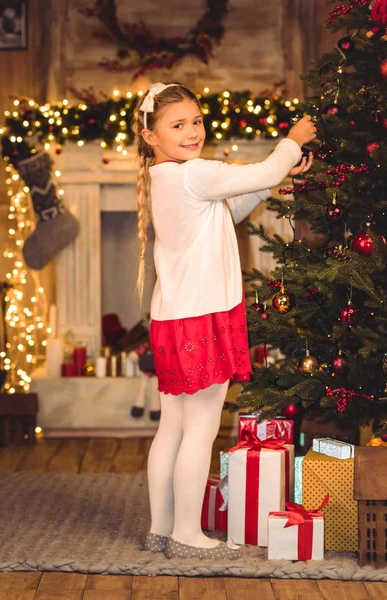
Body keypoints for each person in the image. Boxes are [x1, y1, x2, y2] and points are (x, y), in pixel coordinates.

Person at [132, 82, 316, 560]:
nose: (193, 132)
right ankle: (188, 535)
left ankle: (161, 529)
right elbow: (267, 167)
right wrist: (293, 140)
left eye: (196, 121)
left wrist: (274, 176)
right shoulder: (193, 174)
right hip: (202, 315)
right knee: (201, 426)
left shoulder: (167, 177)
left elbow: (229, 208)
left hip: (172, 317)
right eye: (178, 125)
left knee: (173, 424)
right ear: (150, 135)